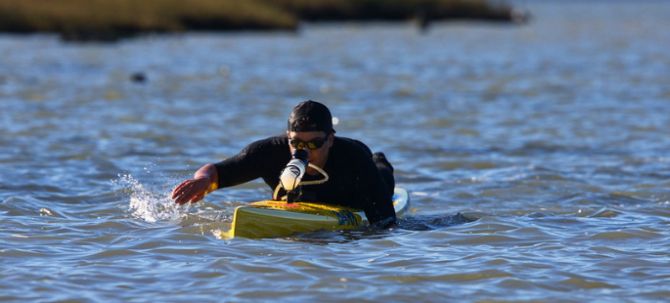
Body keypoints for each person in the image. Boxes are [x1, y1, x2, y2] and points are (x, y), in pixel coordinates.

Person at [171, 100, 397, 228]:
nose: (304, 151)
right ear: (287, 137)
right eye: (296, 143)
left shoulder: (352, 157)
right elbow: (217, 171)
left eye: (314, 143)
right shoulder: (268, 152)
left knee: (383, 180)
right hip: (301, 202)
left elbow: (386, 222)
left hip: (354, 191)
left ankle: (380, 160)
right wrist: (202, 181)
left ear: (330, 139)